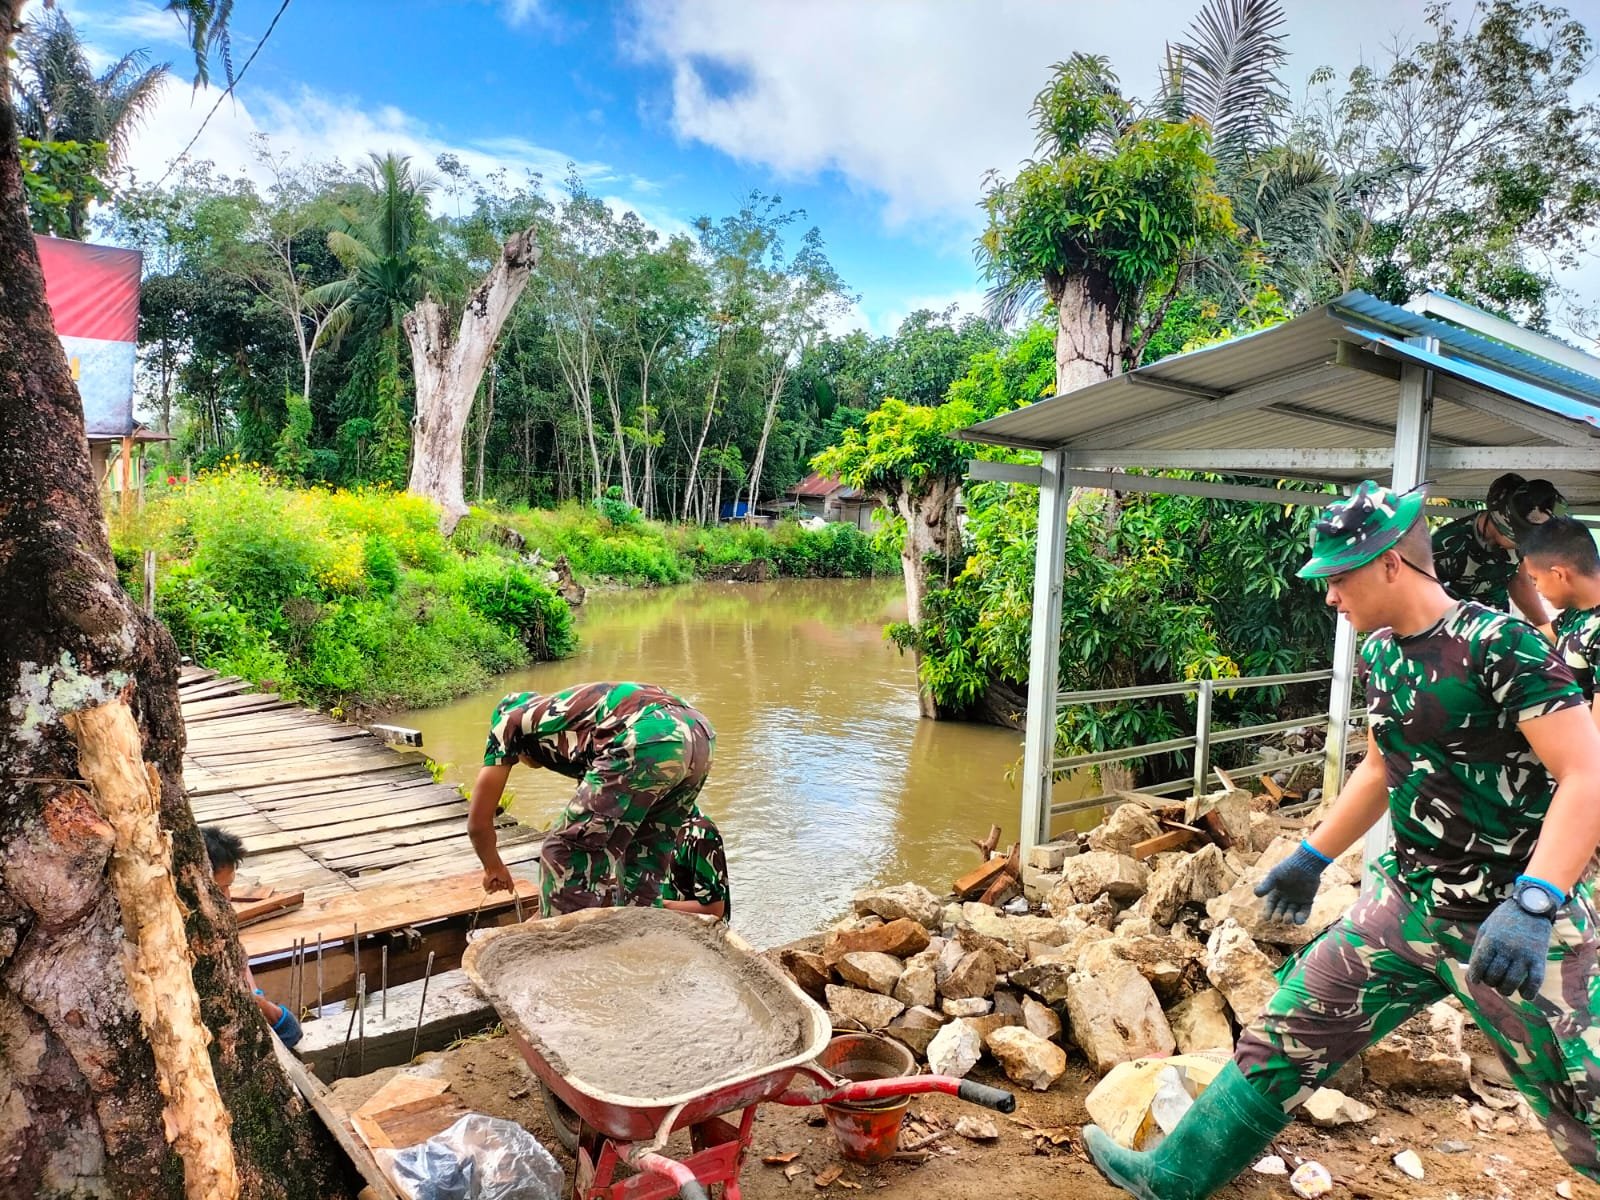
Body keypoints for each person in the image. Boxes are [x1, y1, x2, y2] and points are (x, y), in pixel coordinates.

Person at [1085, 480, 1600, 1200]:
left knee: (1587, 1096)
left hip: (1510, 923)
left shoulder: (1501, 644)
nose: (1329, 595)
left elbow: (1585, 772)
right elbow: (1383, 765)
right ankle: (1170, 1178)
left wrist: (1537, 898)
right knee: (1287, 1034)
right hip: (1405, 906)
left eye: (1339, 577)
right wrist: (1312, 854)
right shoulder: (1382, 653)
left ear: (1391, 563)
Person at [467, 682, 719, 917]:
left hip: (648, 732)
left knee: (564, 855)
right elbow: (597, 826)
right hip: (698, 733)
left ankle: (565, 945)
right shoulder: (572, 723)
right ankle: (641, 936)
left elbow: (478, 823)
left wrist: (493, 867)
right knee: (643, 856)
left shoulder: (508, 720)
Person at [201, 826, 304, 1049]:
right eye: (221, 888)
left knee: (288, 1029)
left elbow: (237, 957)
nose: (228, 897)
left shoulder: (219, 919)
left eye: (229, 887)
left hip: (242, 999)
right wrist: (261, 1005)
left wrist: (256, 997)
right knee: (287, 1031)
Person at [1431, 471, 1562, 624]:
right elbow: (1424, 599)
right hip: (1455, 628)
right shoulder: (1446, 543)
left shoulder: (1522, 538)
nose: (1524, 543)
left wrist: (1543, 627)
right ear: (1500, 524)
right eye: (1519, 538)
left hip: (1498, 626)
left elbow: (1519, 580)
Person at [1522, 515, 1600, 712]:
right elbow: (1536, 635)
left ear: (1558, 574)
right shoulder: (1577, 613)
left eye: (1534, 579)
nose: (1536, 588)